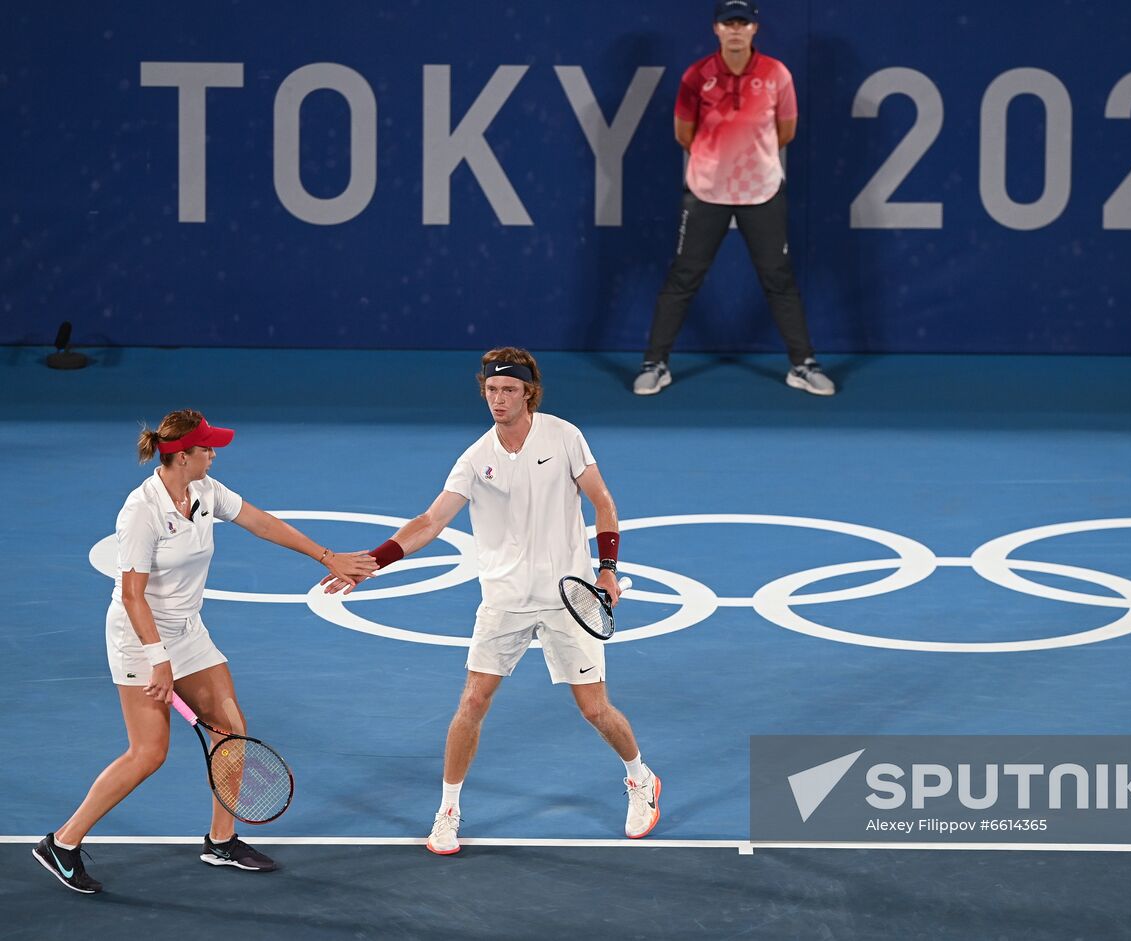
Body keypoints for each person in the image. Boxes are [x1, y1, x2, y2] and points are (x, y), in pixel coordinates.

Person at [325, 347, 660, 854]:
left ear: (528, 392)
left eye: (508, 390)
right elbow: (430, 522)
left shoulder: (564, 437)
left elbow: (603, 502)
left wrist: (608, 569)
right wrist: (375, 561)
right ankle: (448, 811)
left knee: (594, 709)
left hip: (567, 599)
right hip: (504, 600)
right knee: (473, 702)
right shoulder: (475, 458)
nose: (498, 399)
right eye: (491, 390)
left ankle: (641, 778)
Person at [32, 410, 377, 894]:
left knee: (231, 731)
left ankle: (222, 839)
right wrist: (157, 657)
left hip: (187, 630)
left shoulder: (206, 491)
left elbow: (260, 523)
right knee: (149, 753)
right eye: (207, 449)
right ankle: (61, 843)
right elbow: (132, 595)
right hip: (139, 635)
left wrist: (327, 556)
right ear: (182, 456)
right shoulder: (141, 511)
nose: (215, 454)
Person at [633, 0, 835, 397]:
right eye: (729, 24)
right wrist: (719, 163)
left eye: (743, 22)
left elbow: (786, 130)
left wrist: (749, 162)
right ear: (717, 30)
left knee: (779, 279)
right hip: (707, 192)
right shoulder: (696, 76)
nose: (736, 30)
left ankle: (803, 364)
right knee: (683, 278)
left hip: (762, 193)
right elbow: (683, 133)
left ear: (755, 29)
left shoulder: (777, 74)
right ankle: (654, 363)